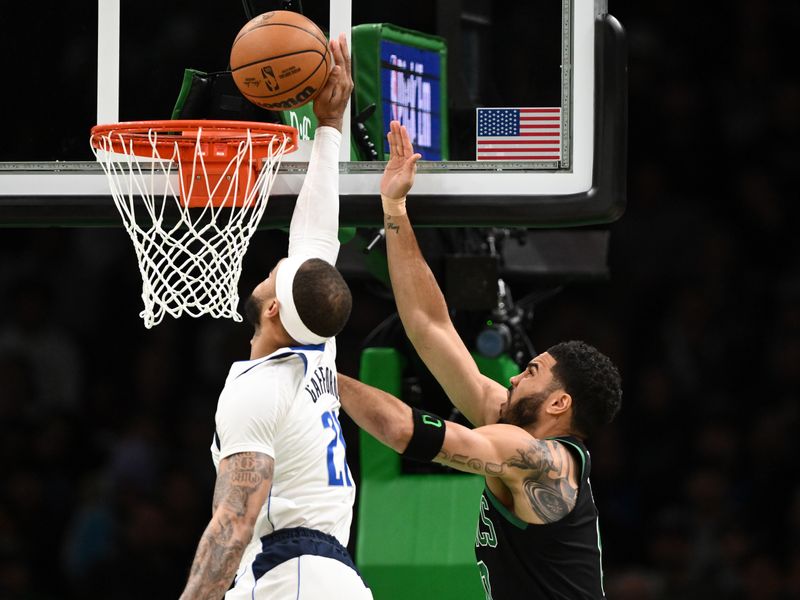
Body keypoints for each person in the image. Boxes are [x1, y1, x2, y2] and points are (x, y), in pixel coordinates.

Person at [337, 121, 623, 599]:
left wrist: (320, 374)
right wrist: (394, 208)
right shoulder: (513, 430)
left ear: (559, 404)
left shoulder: (538, 461)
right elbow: (430, 326)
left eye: (531, 372)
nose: (512, 378)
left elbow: (405, 431)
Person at [179, 35, 372, 600]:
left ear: (272, 309)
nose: (280, 261)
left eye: (280, 270)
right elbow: (318, 233)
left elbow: (235, 523)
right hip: (326, 574)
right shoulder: (316, 346)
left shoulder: (260, 389)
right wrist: (329, 125)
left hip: (296, 577)